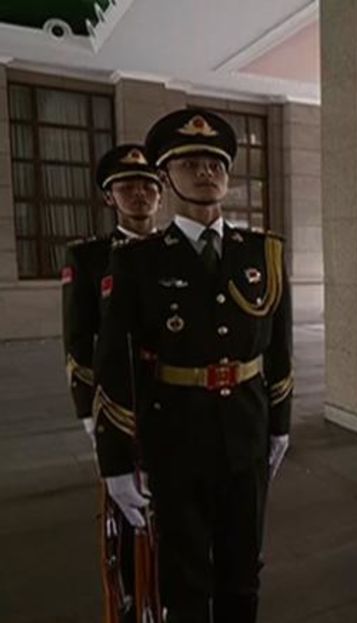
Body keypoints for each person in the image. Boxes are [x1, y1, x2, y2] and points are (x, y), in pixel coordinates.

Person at [93, 109, 293, 622]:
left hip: (246, 430)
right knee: (183, 577)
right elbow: (114, 363)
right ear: (166, 177)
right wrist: (116, 463)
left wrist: (280, 426)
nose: (206, 172)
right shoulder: (139, 261)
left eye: (216, 162)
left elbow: (279, 349)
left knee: (243, 568)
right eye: (191, 162)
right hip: (176, 434)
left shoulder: (263, 253)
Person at [63, 144, 162, 622]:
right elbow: (79, 340)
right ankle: (133, 601)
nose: (139, 194)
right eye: (127, 186)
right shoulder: (88, 257)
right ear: (109, 197)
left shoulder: (174, 252)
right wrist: (90, 414)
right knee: (128, 519)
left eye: (148, 186)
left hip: (175, 401)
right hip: (122, 404)